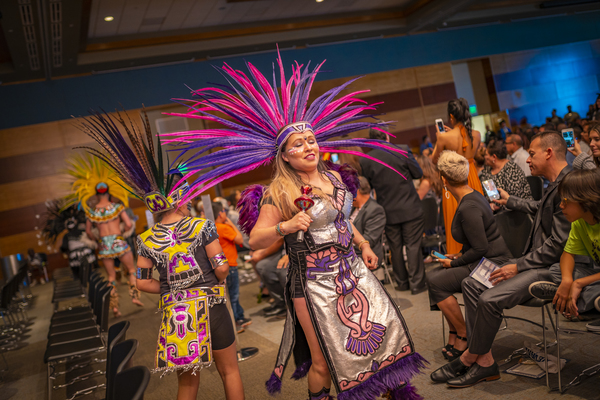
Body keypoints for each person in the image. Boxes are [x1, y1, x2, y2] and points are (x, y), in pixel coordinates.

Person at [165, 51, 427, 400]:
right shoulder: (280, 191)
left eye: (311, 140)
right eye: (298, 144)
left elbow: (343, 220)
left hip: (353, 272)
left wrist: (363, 245)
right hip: (313, 283)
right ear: (285, 155)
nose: (308, 147)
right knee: (323, 360)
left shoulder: (334, 176)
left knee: (384, 334)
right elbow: (256, 240)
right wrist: (286, 227)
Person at [76, 108, 244, 400]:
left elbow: (141, 281)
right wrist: (215, 273)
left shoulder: (144, 239)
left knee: (187, 384)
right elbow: (221, 268)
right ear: (182, 201)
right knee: (229, 371)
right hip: (212, 306)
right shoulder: (202, 226)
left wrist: (169, 288)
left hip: (176, 314)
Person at [431, 131, 572, 388]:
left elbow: (557, 246)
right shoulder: (557, 184)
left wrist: (518, 265)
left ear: (549, 153)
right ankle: (482, 358)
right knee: (472, 284)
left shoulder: (567, 185)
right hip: (535, 262)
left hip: (551, 269)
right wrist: (511, 200)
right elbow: (540, 207)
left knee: (487, 297)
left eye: (531, 153)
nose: (526, 160)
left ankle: (472, 357)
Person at [427, 151, 511, 362]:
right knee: (436, 277)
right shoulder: (472, 195)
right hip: (483, 259)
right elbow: (477, 243)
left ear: (444, 179)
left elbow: (481, 248)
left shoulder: (469, 205)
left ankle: (463, 333)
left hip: (492, 264)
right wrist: (457, 255)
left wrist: (455, 261)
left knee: (435, 281)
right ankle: (457, 332)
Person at [67, 155, 143, 317]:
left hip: (104, 245)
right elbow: (129, 224)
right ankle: (135, 297)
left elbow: (88, 232)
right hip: (118, 241)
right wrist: (120, 232)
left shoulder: (92, 212)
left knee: (110, 276)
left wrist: (97, 239)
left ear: (96, 195)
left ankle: (115, 307)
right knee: (131, 270)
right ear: (109, 193)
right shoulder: (117, 207)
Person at [529, 169, 600, 332]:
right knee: (556, 270)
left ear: (585, 200)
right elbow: (567, 254)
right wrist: (568, 280)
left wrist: (578, 283)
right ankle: (589, 302)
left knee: (576, 280)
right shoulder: (579, 222)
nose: (561, 206)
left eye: (566, 201)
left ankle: (581, 303)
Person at [361, 128, 427, 294]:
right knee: (413, 246)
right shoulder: (402, 150)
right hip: (410, 206)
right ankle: (417, 284)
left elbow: (367, 187)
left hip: (387, 210)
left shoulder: (367, 160)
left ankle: (402, 283)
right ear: (387, 136)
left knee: (395, 247)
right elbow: (418, 173)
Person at [432, 98, 484, 254]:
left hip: (453, 181)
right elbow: (470, 155)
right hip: (472, 177)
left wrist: (440, 138)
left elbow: (434, 160)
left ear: (451, 117)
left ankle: (457, 257)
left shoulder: (444, 137)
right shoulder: (476, 134)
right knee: (477, 218)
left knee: (456, 220)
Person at [213, 201, 252, 332]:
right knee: (233, 295)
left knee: (230, 294)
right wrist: (231, 224)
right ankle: (236, 321)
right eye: (224, 211)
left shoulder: (212, 227)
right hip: (230, 265)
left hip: (221, 266)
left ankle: (239, 316)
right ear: (220, 213)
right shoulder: (223, 228)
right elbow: (240, 240)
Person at [351, 176, 386, 277]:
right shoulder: (352, 208)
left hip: (363, 255)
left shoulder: (375, 209)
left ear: (356, 190)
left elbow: (370, 239)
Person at [480, 141, 533, 207]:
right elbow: (491, 196)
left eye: (486, 154)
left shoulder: (512, 169)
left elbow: (514, 199)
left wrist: (496, 206)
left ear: (494, 157)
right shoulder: (487, 171)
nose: (484, 157)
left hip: (517, 210)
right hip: (495, 210)